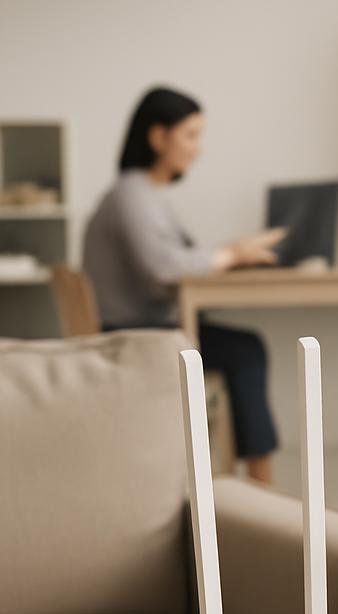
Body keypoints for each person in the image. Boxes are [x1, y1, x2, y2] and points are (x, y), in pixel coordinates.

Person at [84, 86, 282, 483]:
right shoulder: (132, 196)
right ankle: (261, 481)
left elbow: (171, 260)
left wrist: (230, 253)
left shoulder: (142, 195)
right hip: (134, 336)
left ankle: (257, 478)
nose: (198, 149)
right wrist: (229, 256)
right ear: (158, 138)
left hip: (139, 327)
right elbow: (163, 269)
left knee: (244, 346)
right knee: (246, 349)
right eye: (191, 136)